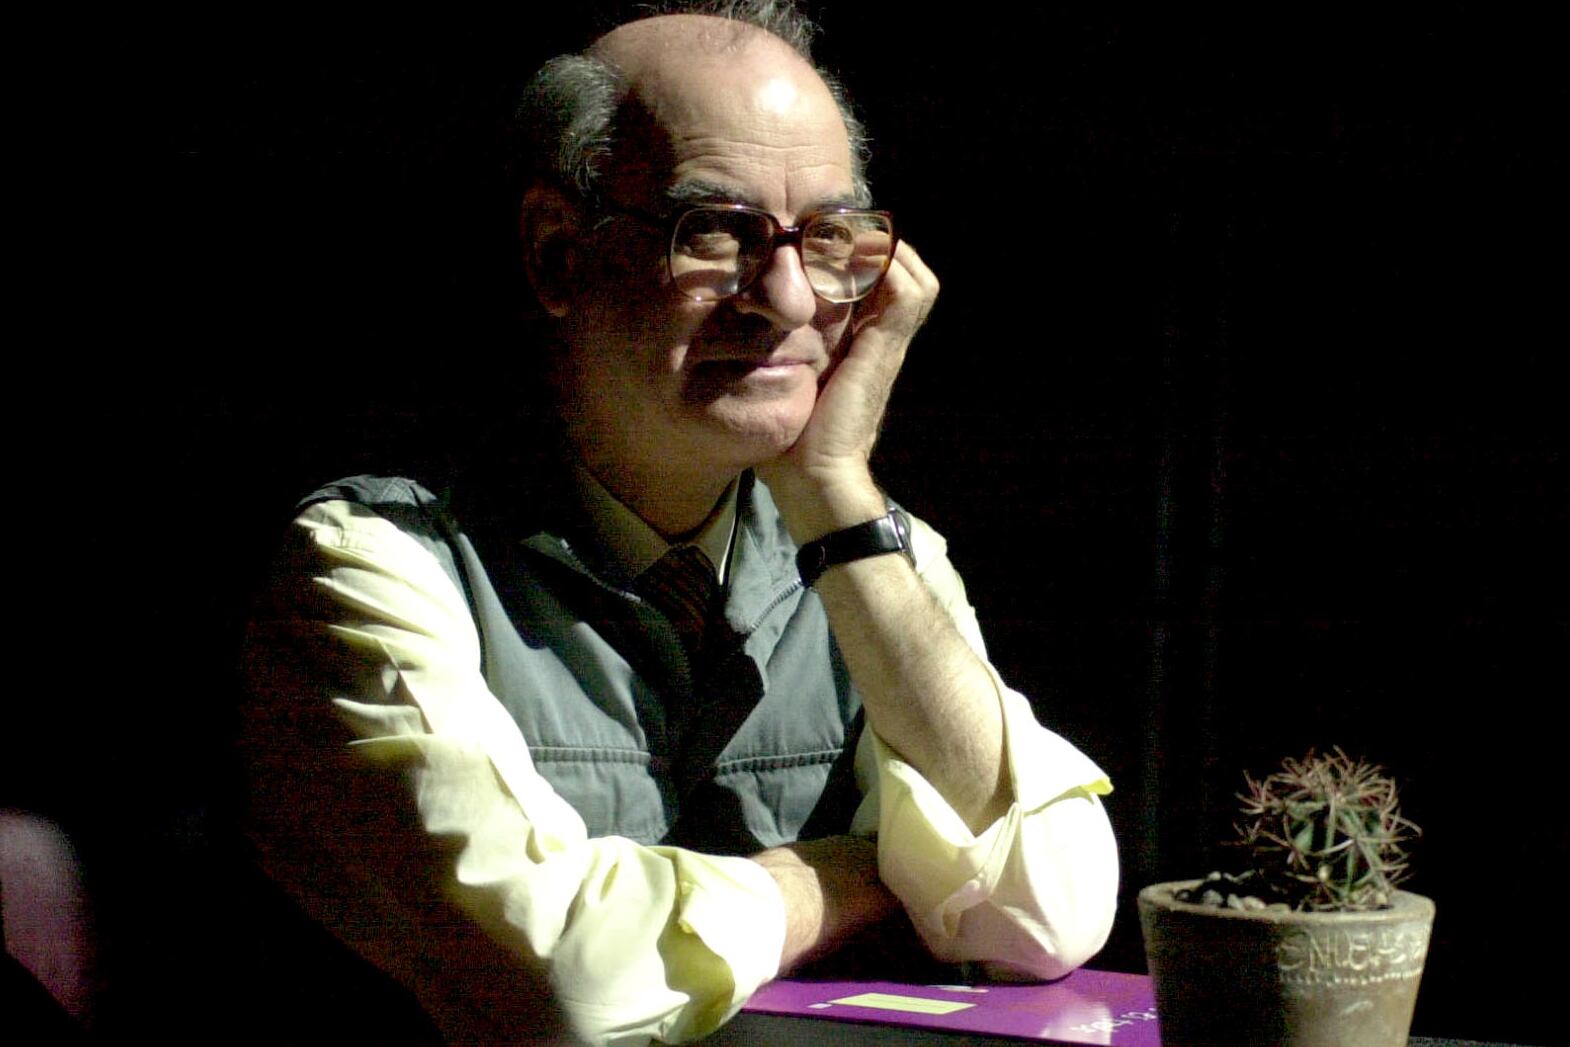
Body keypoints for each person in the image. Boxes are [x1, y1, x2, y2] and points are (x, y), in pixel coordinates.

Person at [239, 3, 1118, 1043]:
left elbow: (1047, 915)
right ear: (557, 255)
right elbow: (561, 984)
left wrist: (833, 492)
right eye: (715, 233)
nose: (789, 299)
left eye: (828, 237)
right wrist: (868, 873)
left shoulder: (876, 556)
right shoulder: (375, 564)